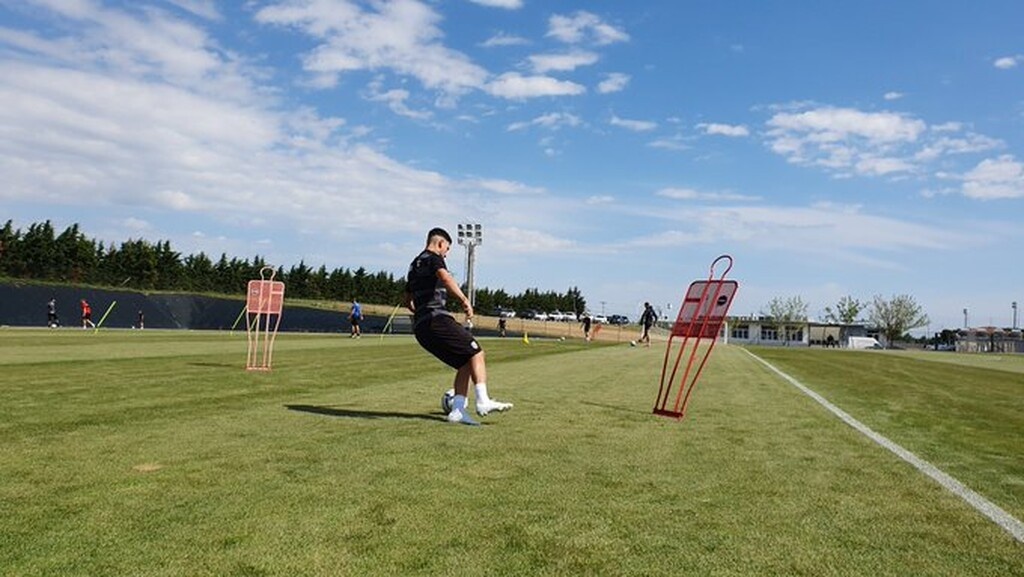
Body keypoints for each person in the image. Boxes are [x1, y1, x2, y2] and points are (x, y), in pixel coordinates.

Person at [404, 227, 512, 425]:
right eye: (447, 249)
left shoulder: (413, 265)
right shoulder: (433, 257)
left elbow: (408, 301)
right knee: (477, 353)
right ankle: (483, 401)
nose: (446, 253)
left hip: (420, 329)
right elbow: (445, 277)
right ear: (440, 244)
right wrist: (464, 300)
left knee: (465, 363)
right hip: (436, 319)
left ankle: (458, 411)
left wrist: (421, 310)